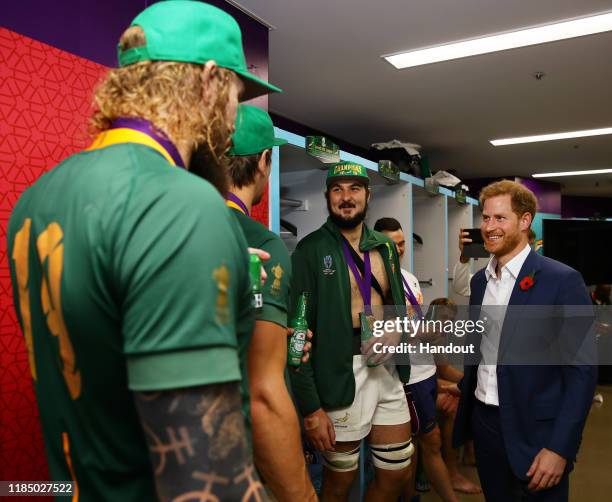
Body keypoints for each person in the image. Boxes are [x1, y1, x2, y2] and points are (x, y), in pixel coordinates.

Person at [7, 2, 281, 500]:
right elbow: (205, 480)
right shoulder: (182, 204)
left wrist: (210, 275)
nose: (232, 119)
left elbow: (98, 316)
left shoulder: (37, 198)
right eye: (236, 97)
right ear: (209, 81)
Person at [453, 180, 597, 501]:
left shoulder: (563, 281)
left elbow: (581, 373)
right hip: (486, 426)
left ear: (525, 220)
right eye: (486, 218)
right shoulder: (480, 282)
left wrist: (560, 448)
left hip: (537, 432)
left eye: (500, 218)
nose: (489, 227)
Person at [289, 162, 414, 501]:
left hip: (386, 368)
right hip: (340, 372)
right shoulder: (311, 249)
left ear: (368, 195)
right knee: (339, 482)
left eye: (354, 189)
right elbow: (296, 334)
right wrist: (311, 409)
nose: (346, 197)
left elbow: (397, 310)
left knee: (397, 470)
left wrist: (395, 332)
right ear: (328, 197)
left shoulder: (385, 248)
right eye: (337, 189)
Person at [224, 104, 316, 500]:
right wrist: (303, 494)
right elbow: (263, 389)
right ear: (264, 161)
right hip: (234, 450)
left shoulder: (177, 221)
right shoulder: (262, 242)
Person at [375, 217, 481, 500]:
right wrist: (419, 334)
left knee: (422, 444)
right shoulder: (375, 281)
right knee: (418, 445)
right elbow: (377, 333)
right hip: (405, 376)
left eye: (400, 244)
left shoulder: (408, 277)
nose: (397, 250)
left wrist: (429, 334)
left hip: (425, 371)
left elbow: (411, 325)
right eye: (389, 245)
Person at [453, 227, 535, 297]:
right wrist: (465, 255)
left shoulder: (538, 274)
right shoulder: (486, 275)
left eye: (528, 245)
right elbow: (461, 288)